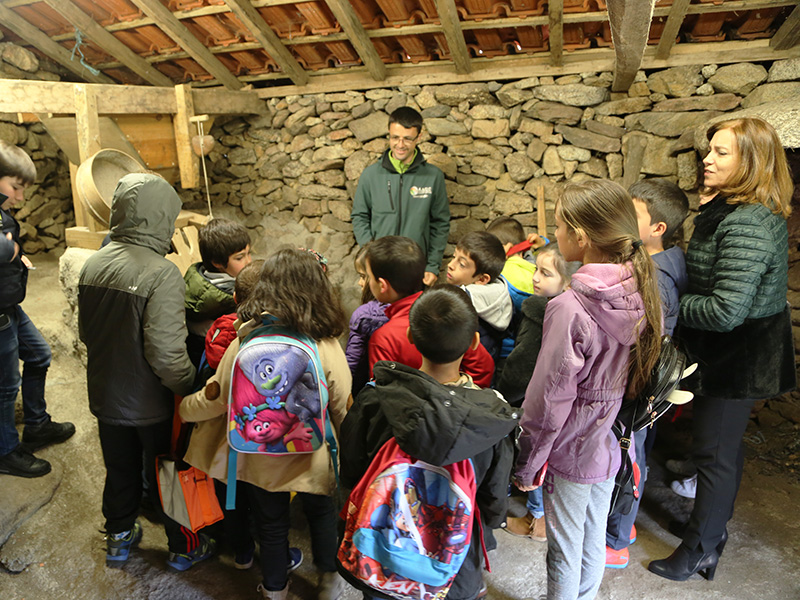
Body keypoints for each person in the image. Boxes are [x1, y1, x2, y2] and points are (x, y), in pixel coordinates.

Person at [648, 118, 795, 582]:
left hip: (740, 354)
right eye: (710, 150)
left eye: (721, 152)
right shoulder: (735, 208)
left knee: (716, 454)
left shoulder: (750, 221)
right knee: (718, 447)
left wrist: (662, 303)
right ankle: (710, 529)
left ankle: (700, 550)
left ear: (751, 161)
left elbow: (726, 311)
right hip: (726, 349)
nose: (707, 159)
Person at [513, 180, 662, 600]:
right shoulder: (638, 285)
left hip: (572, 444)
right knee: (593, 536)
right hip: (612, 440)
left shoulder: (570, 308)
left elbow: (548, 400)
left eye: (559, 226)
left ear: (581, 237)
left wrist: (528, 464)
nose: (555, 235)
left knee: (563, 548)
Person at [179, 248, 351, 600]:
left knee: (271, 524)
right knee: (321, 514)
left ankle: (275, 587)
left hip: (259, 453)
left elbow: (218, 396)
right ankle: (328, 579)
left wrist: (184, 408)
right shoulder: (324, 342)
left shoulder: (247, 338)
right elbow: (341, 403)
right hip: (312, 451)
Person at [339, 284, 519, 600]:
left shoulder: (375, 399)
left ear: (410, 336)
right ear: (475, 342)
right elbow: (492, 502)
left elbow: (352, 470)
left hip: (382, 552)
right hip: (452, 563)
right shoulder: (492, 419)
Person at [78, 173, 214, 571]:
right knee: (165, 470)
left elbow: (88, 333)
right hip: (150, 401)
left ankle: (118, 538)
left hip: (105, 394)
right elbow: (166, 354)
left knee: (118, 466)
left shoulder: (93, 264)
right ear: (160, 217)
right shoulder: (160, 273)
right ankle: (182, 546)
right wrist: (189, 387)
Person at [605, 178, 690, 569]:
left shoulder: (657, 276)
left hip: (638, 384)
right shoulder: (658, 260)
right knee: (633, 453)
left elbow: (651, 337)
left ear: (657, 228)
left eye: (632, 213)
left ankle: (616, 539)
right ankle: (624, 521)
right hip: (642, 384)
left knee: (628, 458)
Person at [0, 141, 75, 478]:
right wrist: (9, 251)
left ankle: (36, 425)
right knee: (4, 385)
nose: (19, 197)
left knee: (39, 354)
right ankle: (6, 451)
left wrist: (16, 260)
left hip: (10, 305)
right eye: (16, 188)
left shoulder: (2, 211)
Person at [499, 244, 578, 544]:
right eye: (536, 270)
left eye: (546, 273)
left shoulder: (540, 311)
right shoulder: (575, 308)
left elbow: (522, 365)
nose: (535, 278)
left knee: (534, 459)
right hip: (563, 403)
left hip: (532, 401)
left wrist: (503, 393)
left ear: (567, 282)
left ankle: (536, 521)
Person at [364, 236, 494, 388]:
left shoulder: (384, 338)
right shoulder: (451, 314)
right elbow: (483, 367)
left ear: (382, 285)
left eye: (368, 276)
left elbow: (382, 389)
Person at [351, 106, 450, 287]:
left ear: (419, 137)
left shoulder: (433, 176)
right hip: (378, 268)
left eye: (407, 139)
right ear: (389, 134)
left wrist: (432, 266)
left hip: (416, 269)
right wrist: (370, 254)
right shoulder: (370, 175)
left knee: (413, 315)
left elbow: (440, 223)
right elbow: (360, 216)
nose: (400, 144)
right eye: (395, 137)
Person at [184, 217, 252, 365]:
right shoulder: (228, 297)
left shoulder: (198, 276)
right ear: (217, 263)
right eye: (240, 258)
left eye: (248, 253)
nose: (248, 261)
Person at [446, 231, 513, 360]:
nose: (450, 265)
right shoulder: (498, 294)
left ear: (482, 279)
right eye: (454, 257)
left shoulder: (466, 311)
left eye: (461, 264)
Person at [345, 244, 388, 395]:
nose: (360, 283)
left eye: (363, 276)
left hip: (367, 390)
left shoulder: (364, 316)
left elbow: (352, 362)